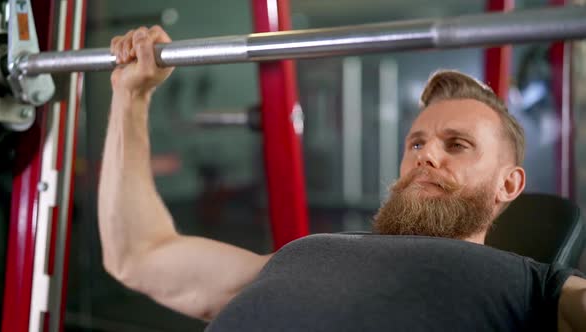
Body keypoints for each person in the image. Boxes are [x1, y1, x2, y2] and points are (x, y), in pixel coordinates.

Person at [98, 26, 586, 331]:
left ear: (509, 185)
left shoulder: (530, 291)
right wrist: (130, 95)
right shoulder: (298, 254)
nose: (425, 157)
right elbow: (138, 255)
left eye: (456, 145)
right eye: (416, 143)